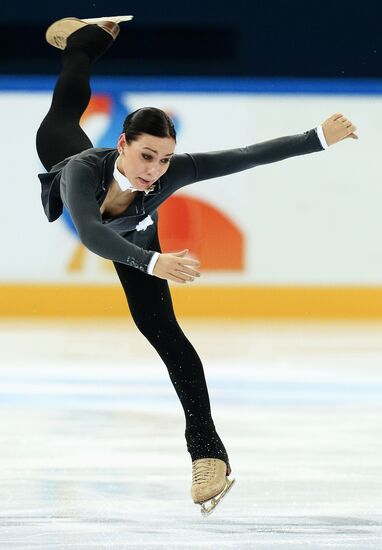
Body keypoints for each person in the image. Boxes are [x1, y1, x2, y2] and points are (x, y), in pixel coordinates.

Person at [36, 15, 358, 515]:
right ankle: (86, 39)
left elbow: (246, 155)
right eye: (146, 156)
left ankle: (208, 454)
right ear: (122, 145)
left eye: (165, 160)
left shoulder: (168, 175)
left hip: (142, 242)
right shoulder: (82, 171)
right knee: (66, 100)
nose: (155, 171)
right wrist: (151, 262)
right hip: (104, 208)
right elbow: (92, 233)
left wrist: (316, 137)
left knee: (167, 335)